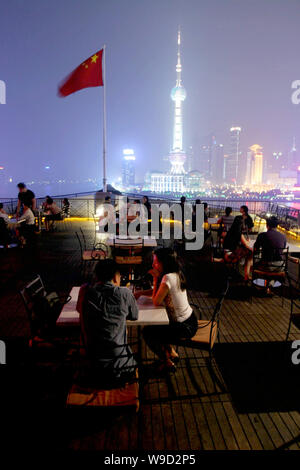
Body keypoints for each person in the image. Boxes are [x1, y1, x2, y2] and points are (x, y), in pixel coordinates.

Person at [135, 248, 198, 372]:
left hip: (184, 327)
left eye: (156, 262)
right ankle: (172, 353)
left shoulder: (167, 278)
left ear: (165, 263)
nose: (153, 265)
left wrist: (154, 278)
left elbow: (156, 300)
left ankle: (167, 362)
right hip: (190, 320)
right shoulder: (176, 273)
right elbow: (159, 293)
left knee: (148, 333)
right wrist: (139, 293)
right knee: (157, 326)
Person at [79, 259, 138, 384]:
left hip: (92, 369)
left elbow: (80, 310)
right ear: (116, 277)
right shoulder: (124, 293)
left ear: (96, 276)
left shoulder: (86, 292)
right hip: (121, 370)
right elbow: (134, 316)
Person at [223, 216, 253, 280]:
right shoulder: (239, 233)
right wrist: (249, 241)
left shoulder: (231, 231)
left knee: (247, 251)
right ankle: (246, 275)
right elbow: (246, 244)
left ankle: (246, 273)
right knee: (250, 252)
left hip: (226, 252)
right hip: (229, 255)